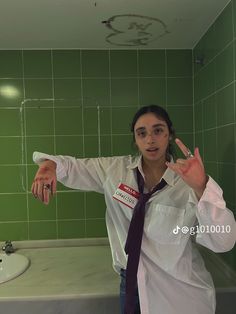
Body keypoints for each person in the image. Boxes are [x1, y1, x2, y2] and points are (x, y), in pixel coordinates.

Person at [31, 105, 236, 314]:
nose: (150, 140)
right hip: (130, 286)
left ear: (169, 134)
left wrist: (201, 185)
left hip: (178, 292)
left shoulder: (189, 183)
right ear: (135, 139)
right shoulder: (114, 171)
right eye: (142, 133)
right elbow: (73, 167)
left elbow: (224, 241)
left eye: (158, 130)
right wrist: (49, 166)